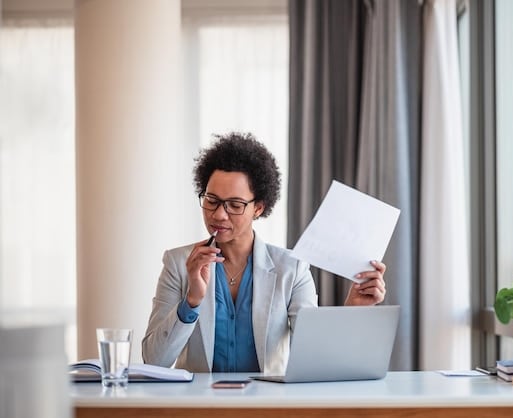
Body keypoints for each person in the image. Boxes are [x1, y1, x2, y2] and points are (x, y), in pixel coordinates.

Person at [142, 132, 387, 374]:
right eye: (211, 200)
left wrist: (354, 308)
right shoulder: (177, 264)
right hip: (199, 408)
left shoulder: (292, 268)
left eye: (235, 205)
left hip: (267, 407)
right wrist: (192, 301)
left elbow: (316, 357)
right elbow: (154, 361)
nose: (218, 215)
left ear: (258, 208)